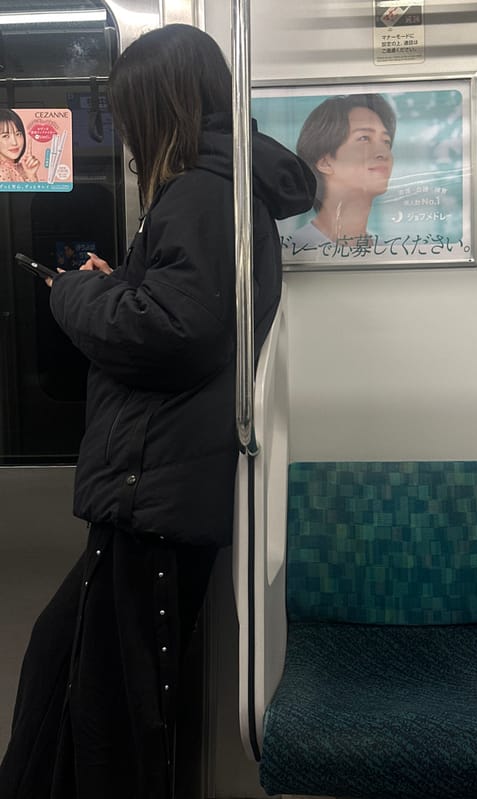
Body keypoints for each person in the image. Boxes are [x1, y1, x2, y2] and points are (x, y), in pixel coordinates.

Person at [0, 23, 314, 799]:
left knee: (114, 711)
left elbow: (174, 334)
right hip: (155, 483)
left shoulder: (201, 194)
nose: (128, 135)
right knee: (65, 671)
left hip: (156, 491)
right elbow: (181, 311)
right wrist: (118, 285)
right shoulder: (211, 191)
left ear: (162, 106)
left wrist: (75, 294)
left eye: (130, 113)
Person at [292, 93, 395, 249]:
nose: (384, 153)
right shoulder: (294, 248)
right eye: (364, 138)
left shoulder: (389, 251)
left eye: (386, 141)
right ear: (325, 162)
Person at [0, 109, 40, 183]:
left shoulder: (21, 168)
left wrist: (31, 175)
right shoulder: (2, 172)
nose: (14, 142)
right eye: (5, 136)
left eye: (18, 134)